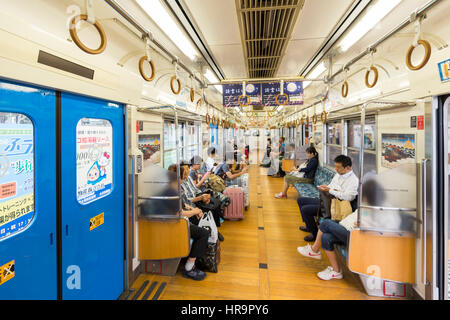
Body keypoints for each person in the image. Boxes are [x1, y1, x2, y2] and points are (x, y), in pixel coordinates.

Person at [296, 180, 385, 281]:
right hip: (346, 227)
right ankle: (336, 271)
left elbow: (382, 229)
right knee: (326, 237)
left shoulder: (383, 210)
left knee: (326, 223)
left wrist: (365, 225)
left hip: (355, 235)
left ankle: (314, 250)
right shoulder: (367, 204)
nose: (363, 197)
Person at [297, 155, 358, 242]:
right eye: (335, 166)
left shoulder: (353, 181)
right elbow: (331, 185)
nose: (336, 169)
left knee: (305, 210)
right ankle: (309, 225)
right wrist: (326, 187)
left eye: (338, 167)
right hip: (328, 200)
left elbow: (349, 197)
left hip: (337, 206)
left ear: (347, 168)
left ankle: (314, 234)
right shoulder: (338, 174)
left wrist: (330, 190)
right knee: (301, 200)